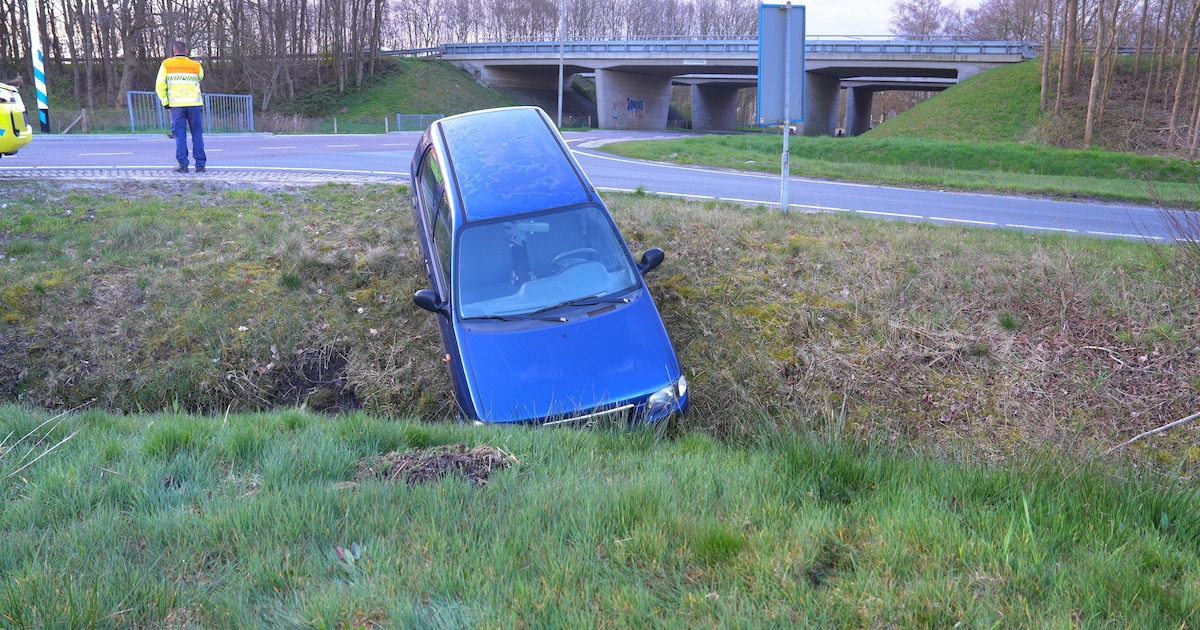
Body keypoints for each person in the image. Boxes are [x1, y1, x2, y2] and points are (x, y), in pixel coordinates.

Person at [155, 39, 206, 173]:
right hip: (194, 104)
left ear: (174, 51)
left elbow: (160, 86)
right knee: (197, 135)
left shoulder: (167, 64)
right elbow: (200, 77)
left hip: (176, 105)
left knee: (180, 136)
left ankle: (183, 165)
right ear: (187, 52)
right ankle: (200, 165)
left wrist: (166, 104)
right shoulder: (196, 65)